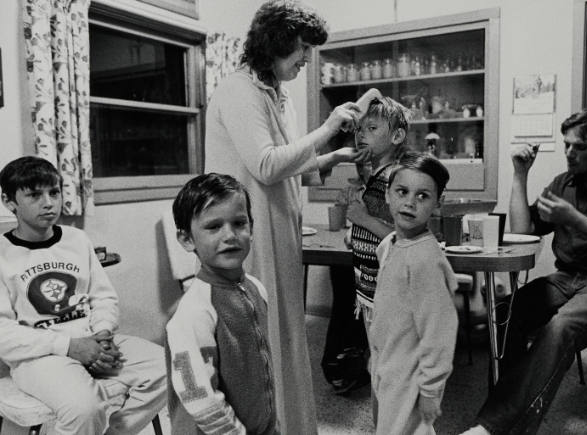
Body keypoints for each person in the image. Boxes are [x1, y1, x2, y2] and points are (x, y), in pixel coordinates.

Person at [204, 2, 368, 432]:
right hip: (245, 229)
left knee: (287, 329)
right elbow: (266, 165)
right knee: (261, 332)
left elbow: (288, 163)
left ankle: (292, 423)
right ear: (276, 43)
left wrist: (331, 156)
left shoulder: (277, 93)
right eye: (303, 49)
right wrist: (329, 126)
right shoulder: (238, 90)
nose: (307, 59)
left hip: (280, 225)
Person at [461, 109, 587, 435]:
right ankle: (511, 410)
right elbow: (523, 231)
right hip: (566, 279)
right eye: (566, 145)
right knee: (505, 314)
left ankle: (491, 427)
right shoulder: (562, 184)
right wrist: (519, 174)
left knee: (562, 326)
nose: (570, 153)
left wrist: (576, 219)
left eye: (580, 147)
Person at [0, 156, 166, 435]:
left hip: (94, 342)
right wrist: (70, 346)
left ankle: (114, 432)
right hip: (40, 357)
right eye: (34, 195)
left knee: (173, 368)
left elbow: (103, 298)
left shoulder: (76, 240)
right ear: (9, 201)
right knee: (85, 408)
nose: (49, 202)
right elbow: (3, 333)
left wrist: (102, 334)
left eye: (54, 192)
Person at [166, 173, 278, 434]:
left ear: (252, 226)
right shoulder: (194, 312)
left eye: (239, 223)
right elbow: (196, 393)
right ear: (186, 239)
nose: (230, 235)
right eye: (214, 226)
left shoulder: (256, 288)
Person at [321, 97, 409, 395]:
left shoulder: (394, 178)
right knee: (380, 363)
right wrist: (356, 228)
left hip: (387, 290)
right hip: (370, 288)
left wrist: (362, 218)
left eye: (371, 128)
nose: (361, 135)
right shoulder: (377, 177)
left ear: (397, 136)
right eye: (358, 129)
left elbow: (405, 236)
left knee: (390, 367)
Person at [370, 151, 459, 435]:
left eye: (423, 196)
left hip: (411, 373)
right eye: (402, 191)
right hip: (390, 364)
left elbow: (439, 330)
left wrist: (431, 390)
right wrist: (377, 356)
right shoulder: (389, 245)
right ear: (388, 194)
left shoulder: (426, 261)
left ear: (437, 204)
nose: (410, 202)